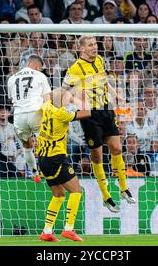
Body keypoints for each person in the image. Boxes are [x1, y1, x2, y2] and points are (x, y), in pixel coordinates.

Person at [62, 35, 135, 213]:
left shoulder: (101, 60)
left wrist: (115, 94)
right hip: (89, 114)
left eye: (95, 44)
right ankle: (105, 196)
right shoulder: (75, 68)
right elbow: (64, 91)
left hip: (106, 109)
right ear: (82, 49)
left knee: (117, 148)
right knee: (97, 156)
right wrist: (76, 102)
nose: (94, 47)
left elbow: (103, 81)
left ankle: (124, 187)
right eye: (90, 45)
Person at [38, 88, 90, 242]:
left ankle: (47, 231)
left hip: (42, 158)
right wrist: (77, 99)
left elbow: (47, 96)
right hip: (56, 158)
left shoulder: (46, 107)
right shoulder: (61, 114)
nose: (69, 99)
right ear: (61, 100)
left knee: (59, 195)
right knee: (76, 191)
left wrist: (63, 92)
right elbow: (87, 112)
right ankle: (69, 228)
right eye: (67, 97)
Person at [7, 55, 51, 181]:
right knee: (45, 143)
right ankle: (47, 171)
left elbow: (11, 99)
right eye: (40, 68)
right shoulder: (40, 76)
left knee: (26, 146)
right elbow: (47, 100)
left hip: (19, 116)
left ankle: (34, 172)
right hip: (35, 113)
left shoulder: (11, 78)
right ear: (37, 66)